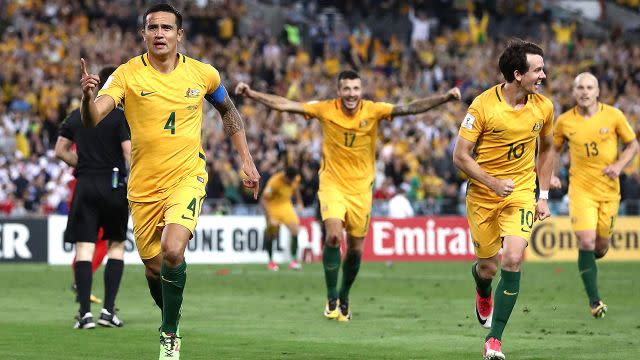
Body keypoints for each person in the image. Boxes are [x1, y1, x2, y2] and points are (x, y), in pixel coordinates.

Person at [80, 4, 260, 359]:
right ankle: (170, 317)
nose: (159, 33)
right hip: (144, 186)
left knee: (173, 250)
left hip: (187, 176)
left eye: (166, 27)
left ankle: (169, 334)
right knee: (154, 267)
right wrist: (87, 98)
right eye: (152, 27)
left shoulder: (203, 74)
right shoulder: (127, 74)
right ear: (143, 34)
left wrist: (247, 159)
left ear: (180, 34)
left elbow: (228, 110)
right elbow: (93, 118)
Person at [235, 70, 460, 322]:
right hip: (332, 184)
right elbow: (287, 104)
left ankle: (344, 296)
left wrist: (444, 98)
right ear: (339, 91)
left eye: (355, 89)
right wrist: (252, 94)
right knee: (332, 236)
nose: (351, 94)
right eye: (346, 89)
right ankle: (331, 298)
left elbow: (408, 109)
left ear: (360, 90)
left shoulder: (374, 110)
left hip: (361, 190)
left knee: (354, 249)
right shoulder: (325, 109)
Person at [452, 39, 555, 360]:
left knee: (512, 258)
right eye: (537, 70)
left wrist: (544, 193)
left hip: (521, 192)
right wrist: (492, 182)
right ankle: (483, 291)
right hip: (484, 194)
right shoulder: (482, 106)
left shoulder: (544, 107)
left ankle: (494, 340)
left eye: (542, 68)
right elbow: (460, 156)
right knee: (488, 268)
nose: (543, 75)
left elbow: (549, 147)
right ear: (517, 74)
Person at [551, 72, 638, 319]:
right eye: (580, 87)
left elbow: (633, 145)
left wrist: (619, 166)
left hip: (609, 192)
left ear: (598, 91)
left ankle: (592, 263)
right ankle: (594, 301)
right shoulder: (565, 121)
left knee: (600, 248)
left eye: (590, 87)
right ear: (574, 92)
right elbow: (553, 151)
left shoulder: (614, 116)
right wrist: (552, 175)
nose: (585, 92)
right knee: (586, 242)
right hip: (580, 190)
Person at [55, 66, 131, 329]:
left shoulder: (76, 116)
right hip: (113, 185)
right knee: (116, 247)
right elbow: (128, 154)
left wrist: (83, 165)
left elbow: (60, 150)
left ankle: (85, 314)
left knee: (84, 249)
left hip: (85, 185)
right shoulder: (120, 118)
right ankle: (108, 312)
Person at [261, 166, 304, 271]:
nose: (291, 182)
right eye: (290, 180)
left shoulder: (295, 179)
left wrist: (299, 202)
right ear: (285, 177)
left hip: (286, 205)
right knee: (272, 233)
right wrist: (270, 217)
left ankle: (293, 261)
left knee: (295, 229)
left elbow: (296, 189)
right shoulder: (274, 182)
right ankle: (271, 261)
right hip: (273, 207)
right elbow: (264, 199)